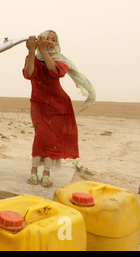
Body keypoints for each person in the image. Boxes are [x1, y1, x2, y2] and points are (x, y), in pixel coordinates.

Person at [23, 30, 95, 187]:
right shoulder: (32, 58)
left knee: (52, 139)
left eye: (53, 40)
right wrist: (32, 52)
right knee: (41, 136)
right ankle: (34, 171)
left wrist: (42, 50)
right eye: (46, 38)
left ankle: (47, 173)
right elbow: (29, 74)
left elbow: (54, 72)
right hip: (39, 104)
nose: (50, 42)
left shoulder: (60, 60)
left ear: (57, 44)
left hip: (58, 105)